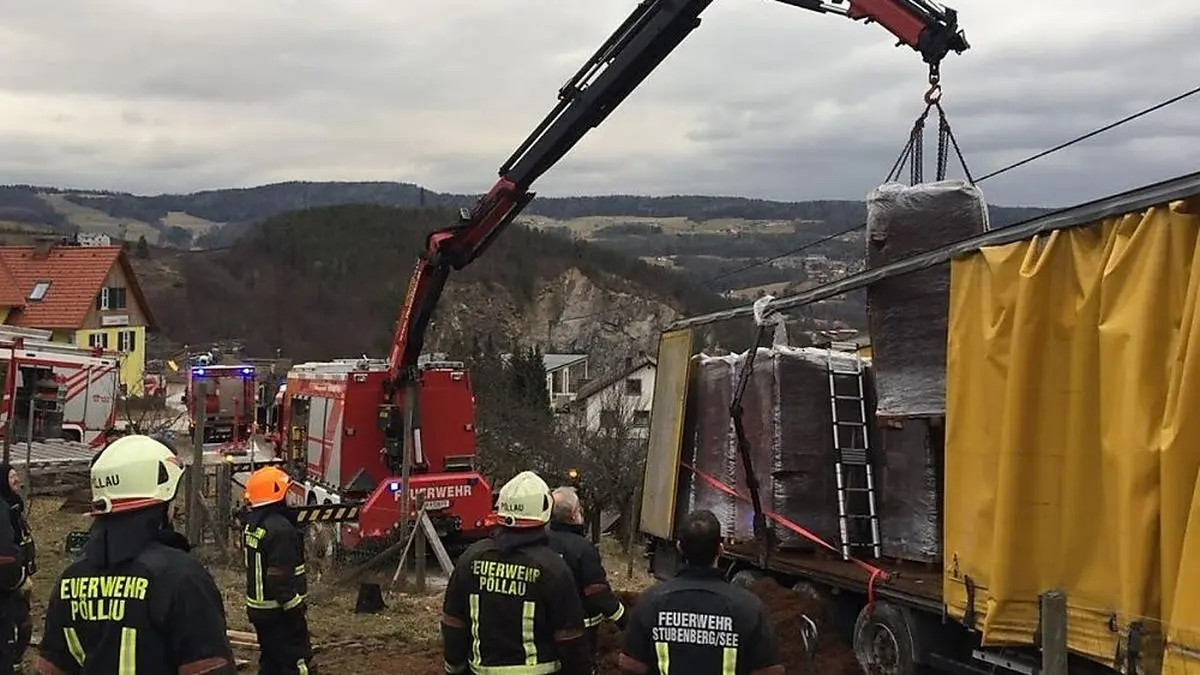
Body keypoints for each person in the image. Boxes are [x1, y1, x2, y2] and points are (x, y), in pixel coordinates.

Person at [36, 434, 238, 674]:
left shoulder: (70, 580)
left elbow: (51, 668)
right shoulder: (182, 578)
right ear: (161, 503)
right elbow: (209, 668)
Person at [442, 471, 594, 675]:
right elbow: (571, 639)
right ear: (545, 511)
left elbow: (453, 623)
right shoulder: (553, 569)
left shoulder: (471, 558)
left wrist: (454, 668)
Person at [619, 510, 783, 675]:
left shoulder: (650, 602)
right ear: (720, 549)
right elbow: (770, 671)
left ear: (679, 547)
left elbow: (630, 665)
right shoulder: (749, 608)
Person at [242, 466, 314, 675]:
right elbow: (279, 580)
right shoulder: (280, 530)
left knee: (271, 662)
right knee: (296, 663)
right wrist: (296, 608)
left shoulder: (254, 525)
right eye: (286, 491)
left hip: (259, 610)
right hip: (279, 611)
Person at [547, 486, 627, 667]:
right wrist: (623, 618)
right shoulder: (583, 549)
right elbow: (597, 592)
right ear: (574, 515)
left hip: (546, 628)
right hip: (580, 631)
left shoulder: (541, 541)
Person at [0, 464, 32, 674]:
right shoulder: (2, 509)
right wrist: (20, 579)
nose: (17, 480)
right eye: (11, 476)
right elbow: (5, 555)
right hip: (7, 587)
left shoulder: (15, 506)